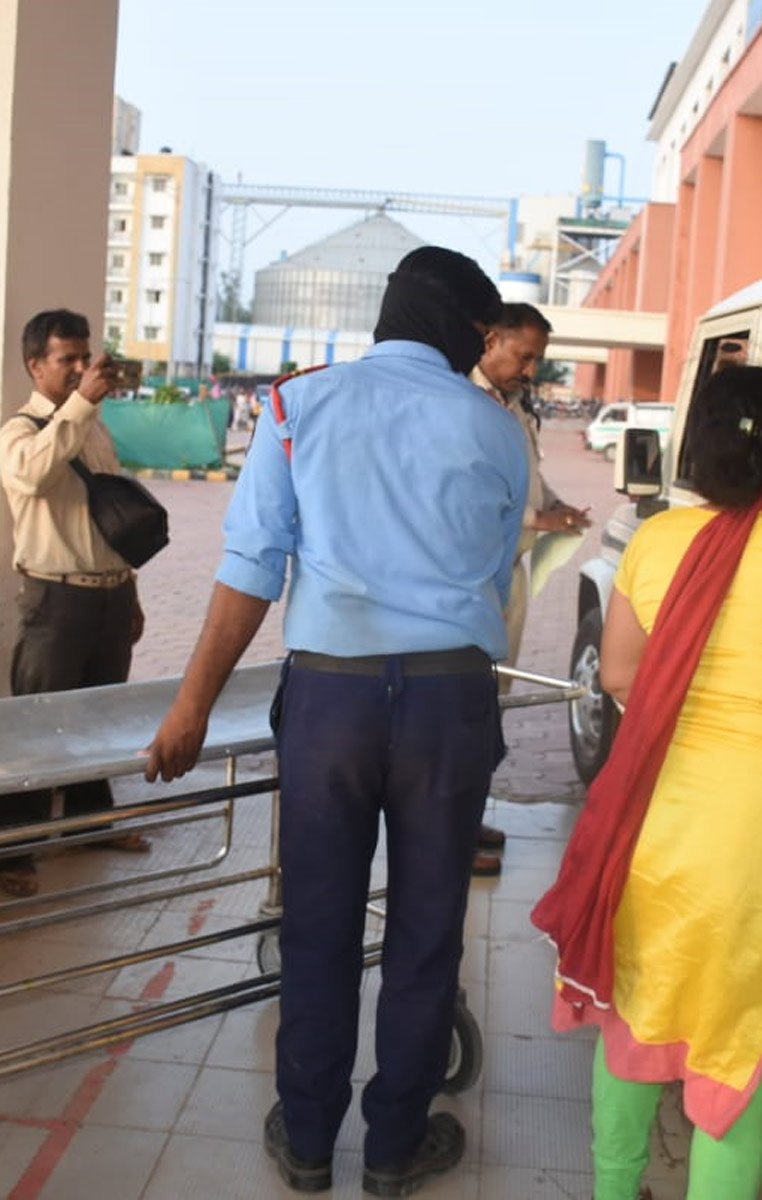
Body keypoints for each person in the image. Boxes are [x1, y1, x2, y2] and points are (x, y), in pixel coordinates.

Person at [144, 247, 528, 1197]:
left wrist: (189, 706)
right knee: (428, 925)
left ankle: (308, 1139)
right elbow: (492, 571)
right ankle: (395, 1146)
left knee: (318, 921)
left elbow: (249, 569)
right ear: (455, 329)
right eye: (482, 333)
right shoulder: (498, 432)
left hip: (330, 705)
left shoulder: (293, 408)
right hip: (448, 700)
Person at [531, 365, 762, 1199]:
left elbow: (619, 671)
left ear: (693, 442)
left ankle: (616, 1189)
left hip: (659, 833)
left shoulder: (656, 539)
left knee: (633, 1027)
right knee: (742, 1058)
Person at [0, 309, 151, 900]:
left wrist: (130, 592)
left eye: (84, 358)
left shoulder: (93, 426)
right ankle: (15, 846)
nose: (81, 369)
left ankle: (91, 823)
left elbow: (107, 522)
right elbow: (34, 477)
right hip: (54, 598)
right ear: (36, 365)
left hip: (108, 594)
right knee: (39, 722)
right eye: (68, 359)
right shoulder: (19, 431)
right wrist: (79, 405)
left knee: (100, 719)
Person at [469, 302, 591, 876]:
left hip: (509, 577)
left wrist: (555, 506)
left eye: (536, 360)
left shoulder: (514, 405)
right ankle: (451, 828)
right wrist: (537, 522)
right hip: (472, 580)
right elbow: (467, 497)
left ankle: (467, 815)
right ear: (490, 340)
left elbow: (527, 481)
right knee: (466, 704)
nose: (530, 370)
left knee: (493, 702)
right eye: (524, 356)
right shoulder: (461, 403)